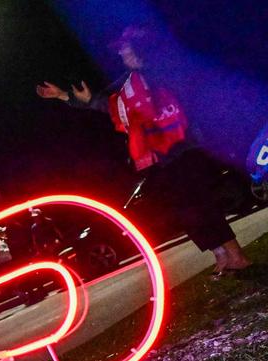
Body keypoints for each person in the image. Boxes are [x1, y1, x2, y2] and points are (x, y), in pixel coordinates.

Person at [37, 26, 252, 277]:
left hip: (184, 149)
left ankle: (236, 255)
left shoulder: (165, 71)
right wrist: (65, 96)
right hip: (160, 158)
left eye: (124, 49)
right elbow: (110, 105)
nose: (120, 54)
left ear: (140, 49)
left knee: (201, 205)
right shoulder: (131, 84)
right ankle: (221, 255)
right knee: (186, 211)